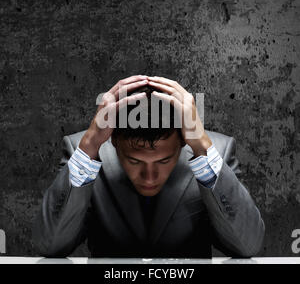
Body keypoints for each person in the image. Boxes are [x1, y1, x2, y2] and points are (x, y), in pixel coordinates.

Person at [32, 75, 265, 258]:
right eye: (134, 161)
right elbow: (50, 245)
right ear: (114, 141)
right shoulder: (84, 151)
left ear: (183, 141)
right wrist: (90, 146)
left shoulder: (217, 151)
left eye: (163, 160)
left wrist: (203, 148)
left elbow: (247, 245)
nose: (150, 177)